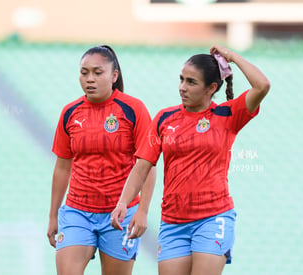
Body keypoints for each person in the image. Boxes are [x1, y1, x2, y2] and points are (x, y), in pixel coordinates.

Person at [111, 45, 270, 275]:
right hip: (173, 224)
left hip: (213, 218)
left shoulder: (228, 115)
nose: (182, 87)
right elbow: (142, 166)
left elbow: (263, 85)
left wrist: (232, 58)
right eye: (181, 79)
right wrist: (123, 202)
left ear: (211, 88)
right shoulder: (164, 118)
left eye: (191, 82)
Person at [47, 45, 156, 275]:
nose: (90, 79)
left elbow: (147, 165)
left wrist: (142, 211)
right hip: (77, 211)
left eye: (98, 72)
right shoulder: (70, 112)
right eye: (84, 72)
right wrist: (53, 215)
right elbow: (62, 167)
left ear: (114, 76)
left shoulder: (133, 109)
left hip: (119, 215)